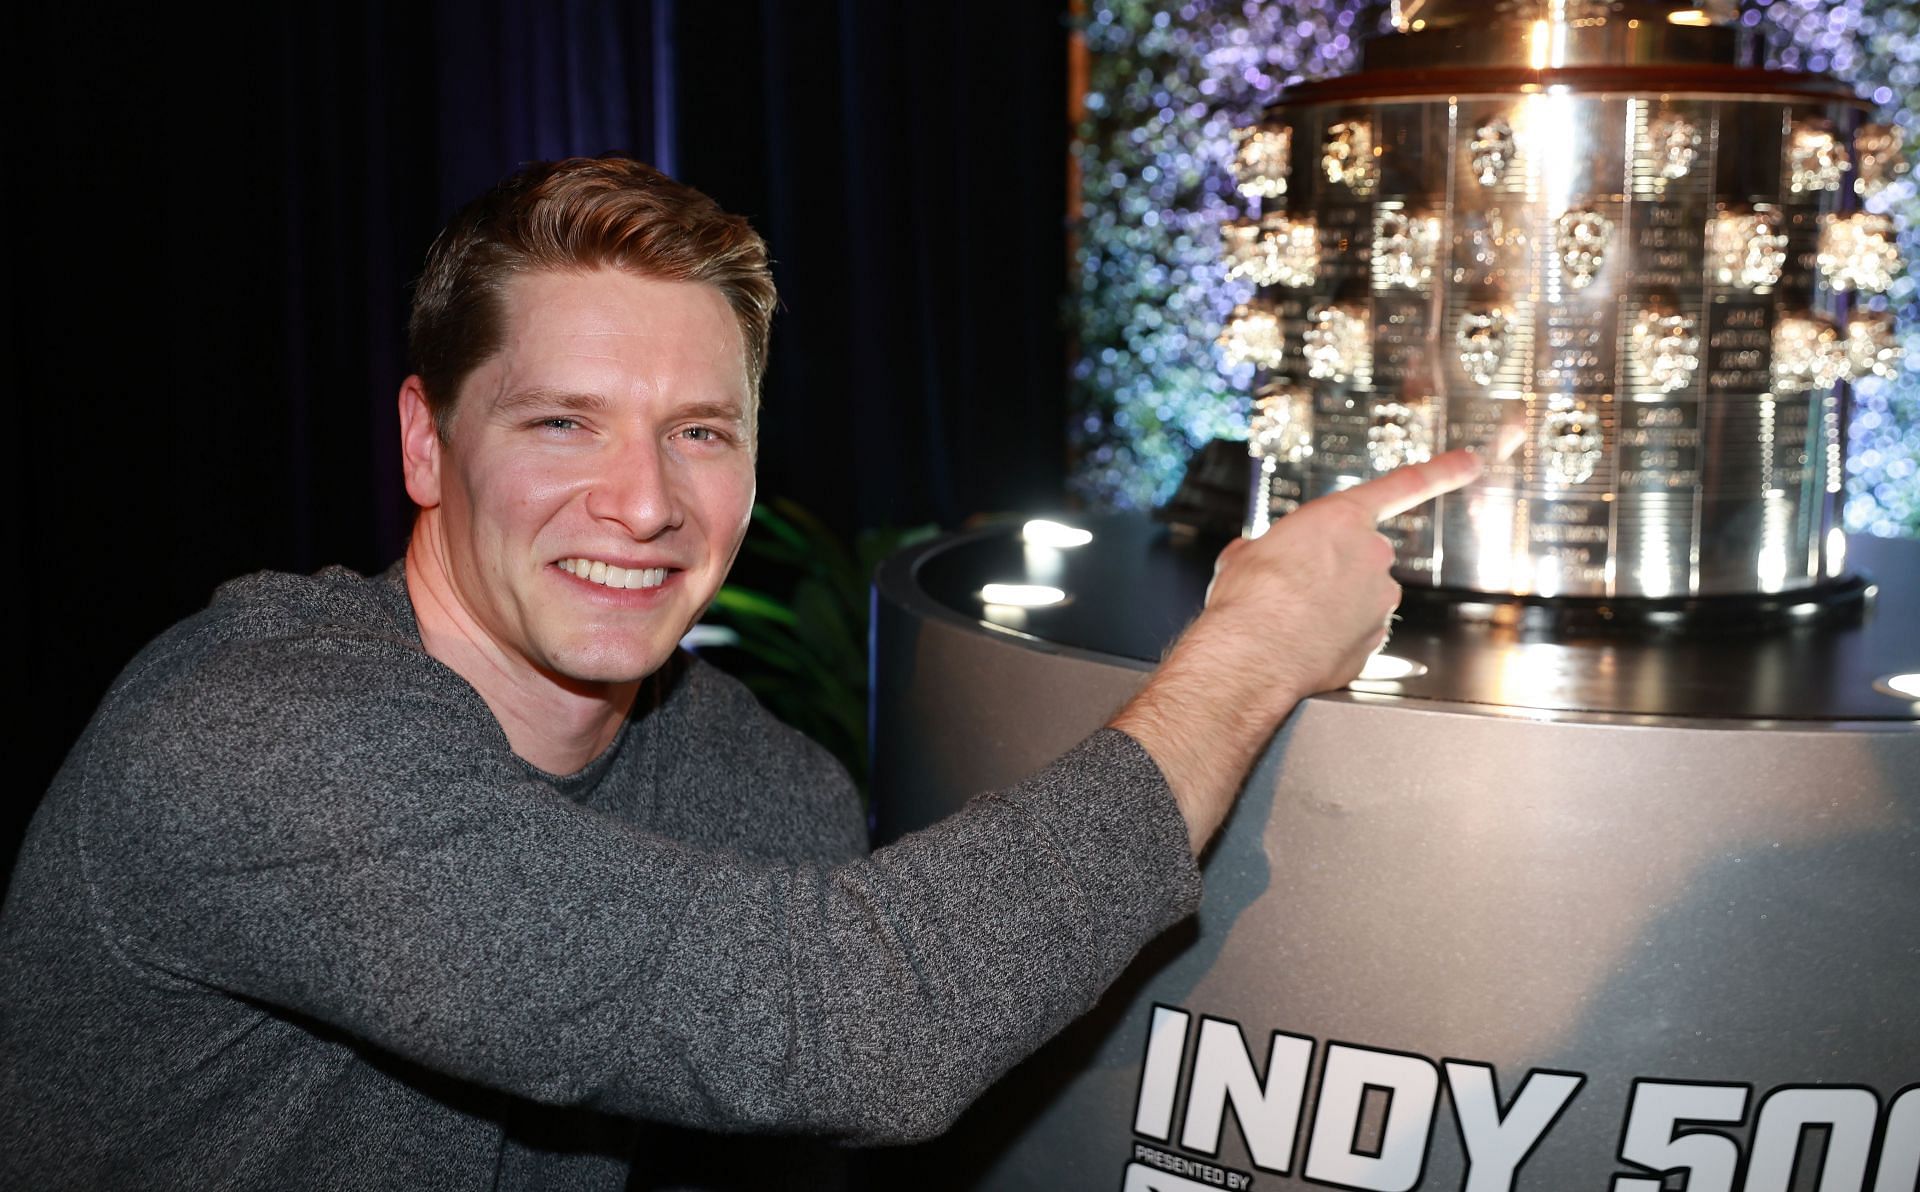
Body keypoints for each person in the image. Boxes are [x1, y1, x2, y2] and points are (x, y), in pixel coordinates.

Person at [0, 156, 1478, 1189]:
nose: (643, 503)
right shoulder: (252, 741)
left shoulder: (760, 787)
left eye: (699, 431)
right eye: (562, 424)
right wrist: (1249, 656)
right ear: (422, 444)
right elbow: (848, 1025)